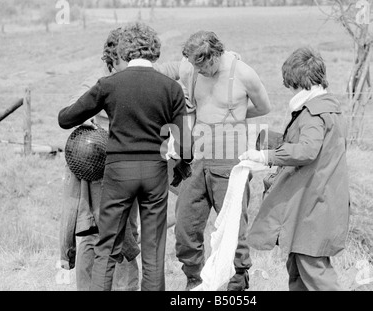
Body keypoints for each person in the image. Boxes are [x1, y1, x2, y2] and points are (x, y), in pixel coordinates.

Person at [58, 22, 192, 291]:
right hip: (154, 173)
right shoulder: (171, 88)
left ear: (123, 51)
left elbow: (65, 119)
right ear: (154, 50)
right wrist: (181, 167)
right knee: (153, 252)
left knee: (107, 248)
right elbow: (186, 146)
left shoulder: (109, 84)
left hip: (118, 173)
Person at [240, 47, 350, 291]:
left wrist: (265, 156)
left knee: (315, 272)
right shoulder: (329, 109)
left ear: (299, 82)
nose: (289, 88)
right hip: (316, 200)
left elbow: (307, 150)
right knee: (298, 269)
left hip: (312, 206)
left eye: (291, 84)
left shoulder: (313, 114)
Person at [174, 30, 271, 291]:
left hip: (229, 161)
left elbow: (264, 107)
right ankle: (194, 280)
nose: (201, 72)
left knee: (233, 226)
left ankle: (237, 280)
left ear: (216, 55)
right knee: (185, 226)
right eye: (196, 67)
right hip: (197, 157)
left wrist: (235, 115)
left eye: (205, 66)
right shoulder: (190, 69)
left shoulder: (244, 74)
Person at [59, 27, 141, 291]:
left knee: (127, 232)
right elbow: (72, 110)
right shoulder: (98, 80)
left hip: (127, 167)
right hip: (99, 168)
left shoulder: (134, 78)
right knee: (94, 234)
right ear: (112, 57)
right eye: (126, 56)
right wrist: (95, 129)